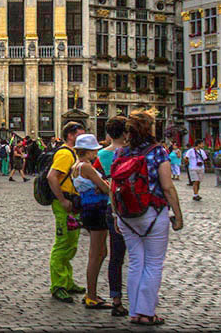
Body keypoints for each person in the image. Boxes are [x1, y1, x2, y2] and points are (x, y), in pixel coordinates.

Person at [113, 109, 184, 326]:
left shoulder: (120, 153)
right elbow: (167, 187)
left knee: (135, 262)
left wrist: (116, 214)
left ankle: (135, 311)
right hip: (152, 212)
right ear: (150, 129)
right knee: (153, 263)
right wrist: (178, 215)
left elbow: (113, 185)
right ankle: (146, 312)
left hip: (126, 214)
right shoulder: (158, 152)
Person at [46, 121, 86, 303]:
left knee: (71, 243)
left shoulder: (74, 153)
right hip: (65, 203)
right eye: (80, 134)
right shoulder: (64, 153)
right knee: (62, 244)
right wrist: (62, 199)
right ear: (70, 135)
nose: (83, 137)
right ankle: (58, 285)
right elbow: (51, 176)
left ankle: (68, 281)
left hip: (74, 202)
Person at [71, 133, 111, 310]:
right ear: (88, 151)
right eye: (94, 151)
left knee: (101, 251)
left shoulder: (76, 166)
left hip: (90, 209)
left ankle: (91, 293)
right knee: (96, 254)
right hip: (97, 209)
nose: (96, 153)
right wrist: (106, 184)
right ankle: (91, 295)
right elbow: (104, 187)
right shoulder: (86, 167)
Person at [96, 115, 129, 317]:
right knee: (136, 257)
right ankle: (139, 299)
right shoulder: (133, 153)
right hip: (133, 209)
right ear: (127, 132)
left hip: (111, 207)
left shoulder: (100, 156)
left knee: (116, 257)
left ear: (108, 134)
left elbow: (93, 182)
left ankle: (116, 299)